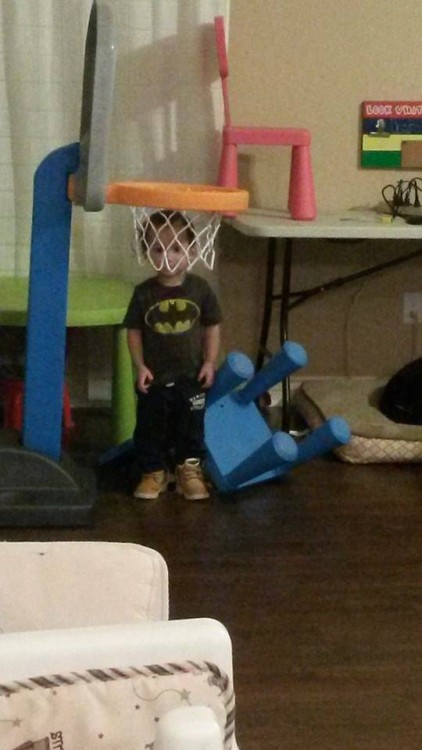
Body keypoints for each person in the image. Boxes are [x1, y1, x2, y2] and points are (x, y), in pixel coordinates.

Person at [123, 210, 222, 501]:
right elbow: (134, 331)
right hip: (154, 377)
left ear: (192, 251)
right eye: (158, 248)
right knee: (150, 427)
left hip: (191, 376)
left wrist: (209, 361)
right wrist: (139, 365)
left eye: (176, 248)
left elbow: (212, 326)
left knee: (191, 428)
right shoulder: (143, 294)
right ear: (147, 252)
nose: (167, 256)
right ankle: (153, 471)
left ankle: (188, 470)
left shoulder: (199, 290)